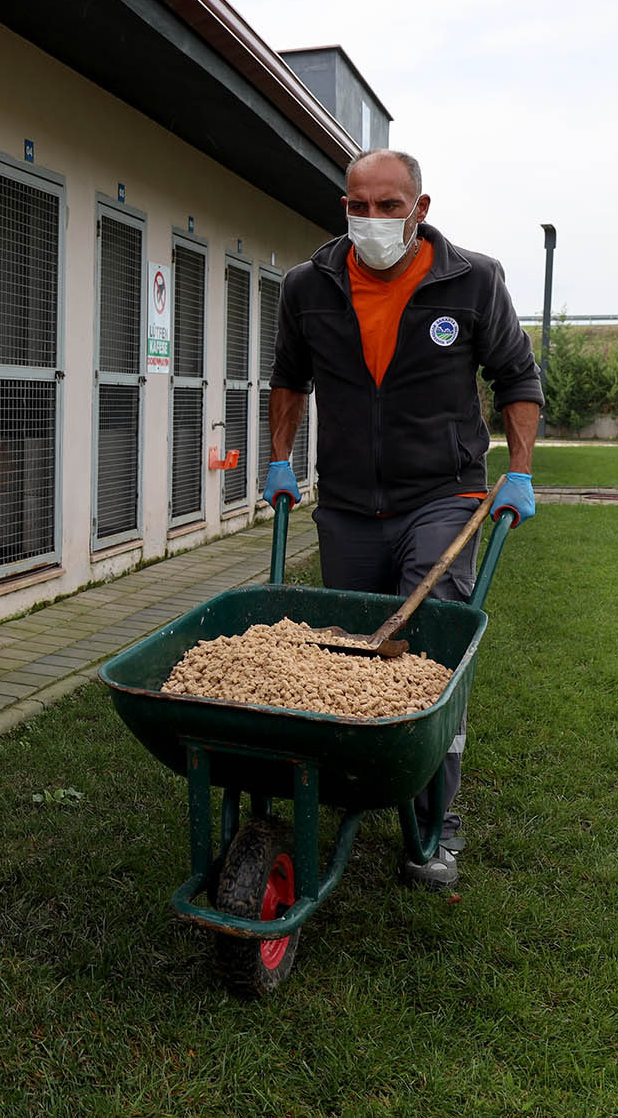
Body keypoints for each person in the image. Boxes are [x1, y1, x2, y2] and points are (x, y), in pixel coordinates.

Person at [262, 149, 543, 891]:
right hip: (350, 502)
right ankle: (354, 778)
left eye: (391, 206)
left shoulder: (472, 281)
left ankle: (432, 821)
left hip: (443, 495)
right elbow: (290, 377)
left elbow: (517, 374)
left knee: (422, 651)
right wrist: (281, 458)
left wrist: (518, 469)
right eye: (360, 205)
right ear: (344, 207)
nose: (375, 220)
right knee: (352, 648)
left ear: (421, 209)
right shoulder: (308, 286)